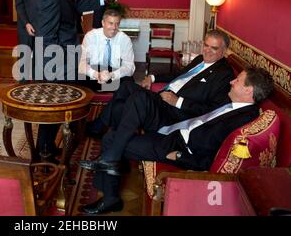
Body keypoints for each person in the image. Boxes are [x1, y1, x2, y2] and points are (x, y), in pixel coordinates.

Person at [79, 67, 274, 214]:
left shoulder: (243, 118)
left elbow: (216, 153)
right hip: (175, 133)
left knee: (112, 139)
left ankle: (111, 193)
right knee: (113, 135)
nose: (232, 82)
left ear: (249, 90)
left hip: (177, 147)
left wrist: (180, 156)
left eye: (238, 80)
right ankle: (111, 181)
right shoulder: (232, 102)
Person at [30, 0, 122, 159]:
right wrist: (71, 58)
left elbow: (73, 5)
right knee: (56, 109)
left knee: (54, 109)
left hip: (59, 59)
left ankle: (47, 148)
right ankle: (44, 153)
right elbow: (47, 37)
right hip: (56, 62)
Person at [89, 29, 235, 136]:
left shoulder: (224, 74)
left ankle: (100, 127)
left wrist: (178, 101)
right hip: (162, 95)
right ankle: (110, 138)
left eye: (213, 48)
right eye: (206, 45)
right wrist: (152, 78)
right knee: (124, 91)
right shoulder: (200, 59)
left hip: (171, 107)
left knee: (128, 92)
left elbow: (212, 110)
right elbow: (178, 74)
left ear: (224, 51)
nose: (207, 50)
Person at [78, 9, 135, 92]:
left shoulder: (125, 39)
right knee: (77, 77)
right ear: (103, 23)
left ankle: (115, 102)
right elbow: (82, 63)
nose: (114, 27)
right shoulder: (91, 36)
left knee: (129, 83)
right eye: (111, 23)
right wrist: (96, 75)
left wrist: (112, 75)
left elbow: (129, 66)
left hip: (114, 73)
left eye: (117, 24)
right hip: (94, 72)